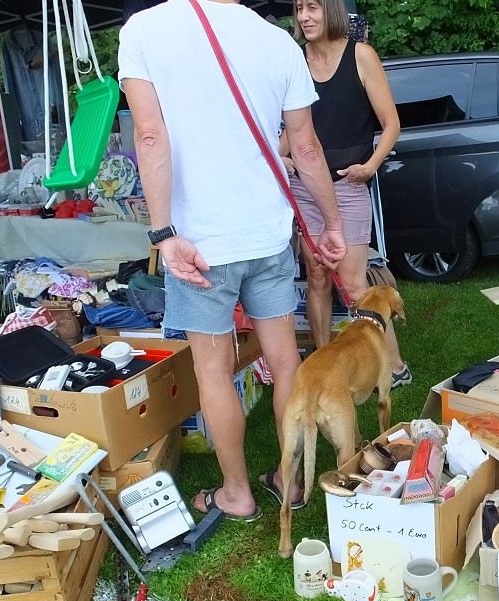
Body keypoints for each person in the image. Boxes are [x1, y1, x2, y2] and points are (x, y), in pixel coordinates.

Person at [118, 0, 346, 520]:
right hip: (265, 232)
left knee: (215, 372)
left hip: (200, 243)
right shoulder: (276, 40)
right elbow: (306, 147)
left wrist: (163, 232)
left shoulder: (145, 30)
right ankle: (289, 482)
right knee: (287, 360)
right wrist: (331, 224)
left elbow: (149, 136)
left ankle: (237, 493)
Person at [284, 0, 409, 390]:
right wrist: (280, 154)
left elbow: (391, 124)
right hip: (305, 188)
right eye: (300, 8)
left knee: (354, 285)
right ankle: (326, 364)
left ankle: (394, 366)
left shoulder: (361, 55)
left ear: (332, 11)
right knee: (317, 276)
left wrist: (370, 166)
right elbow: (293, 126)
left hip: (350, 186)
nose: (305, 16)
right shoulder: (295, 61)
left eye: (313, 8)